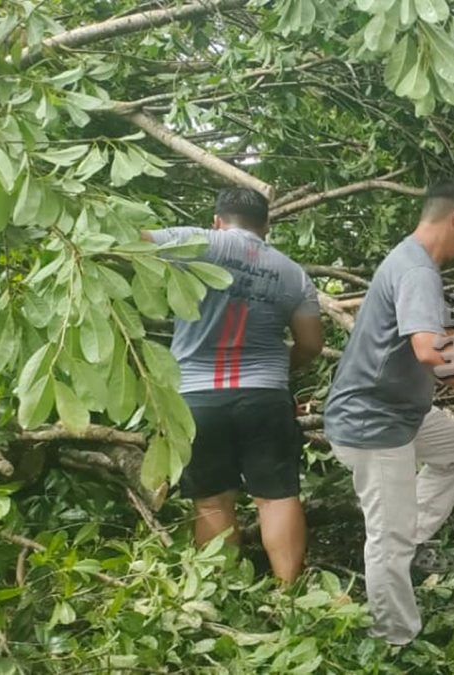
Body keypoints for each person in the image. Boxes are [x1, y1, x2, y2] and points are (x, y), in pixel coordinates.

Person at [323, 178, 454, 646]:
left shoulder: (408, 261)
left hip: (402, 412)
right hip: (373, 423)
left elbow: (426, 341)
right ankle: (395, 641)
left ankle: (401, 538)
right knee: (387, 543)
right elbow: (430, 353)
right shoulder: (418, 272)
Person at [143, 186, 324, 584]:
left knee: (211, 499)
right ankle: (290, 594)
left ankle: (222, 591)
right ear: (267, 226)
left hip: (198, 397)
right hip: (264, 395)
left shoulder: (196, 242)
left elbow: (126, 242)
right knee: (276, 497)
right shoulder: (293, 273)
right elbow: (311, 343)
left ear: (218, 220)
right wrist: (280, 368)